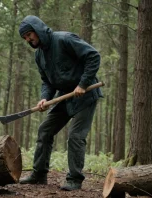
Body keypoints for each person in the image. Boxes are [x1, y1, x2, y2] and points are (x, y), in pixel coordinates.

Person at [18, 15, 103, 191]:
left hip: (85, 95)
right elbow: (46, 81)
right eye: (25, 38)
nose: (28, 39)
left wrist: (83, 83)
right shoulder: (39, 55)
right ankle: (39, 175)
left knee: (75, 135)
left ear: (37, 29)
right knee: (45, 130)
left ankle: (74, 179)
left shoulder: (64, 39)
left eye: (29, 35)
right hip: (65, 96)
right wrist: (45, 98)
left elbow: (93, 56)